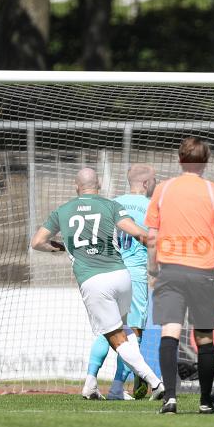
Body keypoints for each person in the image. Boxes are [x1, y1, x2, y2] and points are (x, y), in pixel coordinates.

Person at [30, 168, 164, 400]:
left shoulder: (62, 211)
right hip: (123, 276)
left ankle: (154, 382)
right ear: (99, 184)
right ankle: (91, 385)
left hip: (94, 279)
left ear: (76, 186)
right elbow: (140, 234)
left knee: (113, 335)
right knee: (125, 330)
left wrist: (60, 247)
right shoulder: (110, 206)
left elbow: (37, 242)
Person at [146, 137, 214, 415]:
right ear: (206, 162)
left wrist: (153, 270)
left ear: (180, 160)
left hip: (170, 270)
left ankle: (170, 398)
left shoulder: (163, 190)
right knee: (204, 337)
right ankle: (205, 400)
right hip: (204, 272)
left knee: (170, 332)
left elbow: (152, 237)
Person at [84, 164, 156, 400]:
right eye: (154, 180)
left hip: (108, 272)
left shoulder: (111, 203)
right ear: (146, 183)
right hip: (134, 275)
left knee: (108, 330)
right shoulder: (152, 207)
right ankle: (117, 387)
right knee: (132, 332)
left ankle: (90, 381)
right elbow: (153, 242)